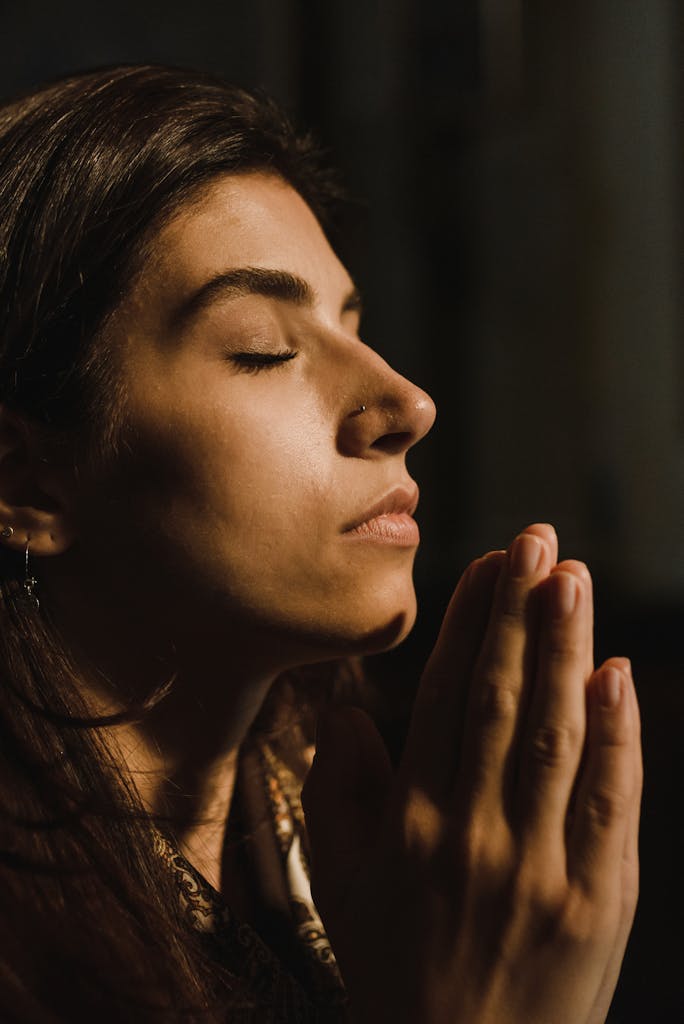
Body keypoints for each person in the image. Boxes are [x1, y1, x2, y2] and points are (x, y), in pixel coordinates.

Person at [0, 64, 641, 1023]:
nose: (408, 405)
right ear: (27, 484)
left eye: (354, 325)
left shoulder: (361, 860)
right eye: (263, 347)